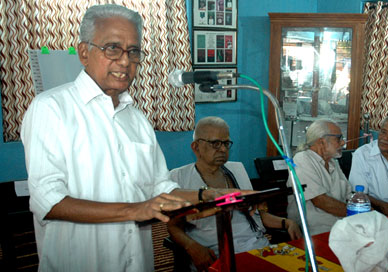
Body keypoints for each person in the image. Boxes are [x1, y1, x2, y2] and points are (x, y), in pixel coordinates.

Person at [20, 5, 232, 271]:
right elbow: (48, 201)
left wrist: (205, 197)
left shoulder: (137, 119)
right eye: (112, 48)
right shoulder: (51, 108)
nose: (125, 61)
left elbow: (160, 189)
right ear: (84, 52)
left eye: (133, 51)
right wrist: (134, 210)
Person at [168, 116, 301, 272]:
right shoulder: (179, 177)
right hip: (215, 253)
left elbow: (258, 216)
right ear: (196, 147)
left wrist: (286, 222)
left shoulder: (237, 170)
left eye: (226, 143)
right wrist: (192, 247)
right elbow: (173, 226)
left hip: (256, 248)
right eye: (215, 143)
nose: (223, 149)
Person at [286, 119, 352, 236]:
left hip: (341, 226)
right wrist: (357, 213)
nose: (343, 143)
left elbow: (349, 194)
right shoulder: (302, 159)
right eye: (338, 138)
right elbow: (321, 201)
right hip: (316, 232)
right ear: (322, 142)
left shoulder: (333, 162)